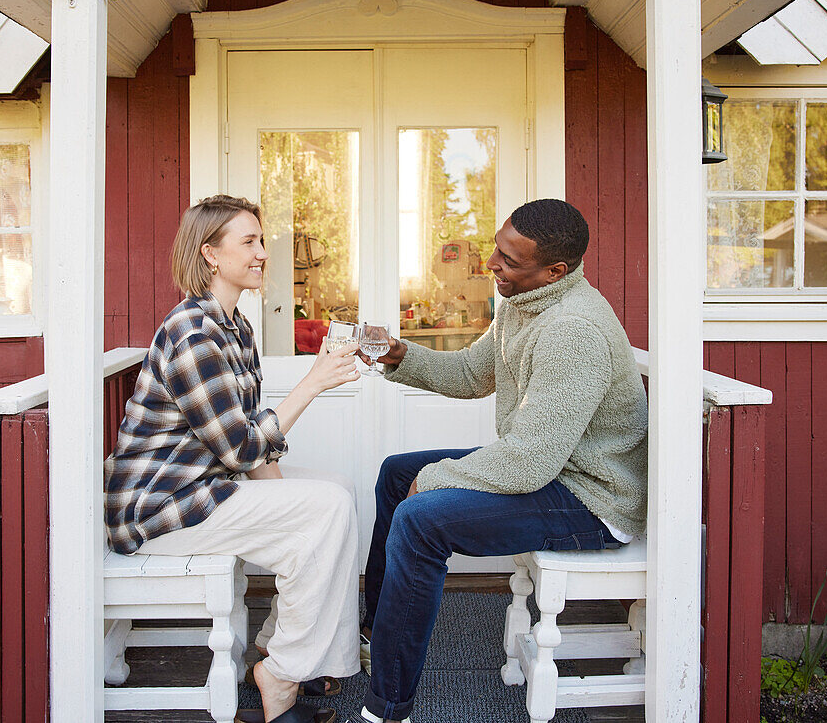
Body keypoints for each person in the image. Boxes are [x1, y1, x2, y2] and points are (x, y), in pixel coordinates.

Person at [348, 199, 648, 723]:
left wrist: (437, 479)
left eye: (509, 260)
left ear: (556, 270)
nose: (492, 264)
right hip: (551, 467)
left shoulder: (572, 329)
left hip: (590, 499)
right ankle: (380, 630)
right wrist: (398, 355)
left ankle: (387, 705)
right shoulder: (522, 300)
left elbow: (529, 462)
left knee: (421, 520)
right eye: (497, 247)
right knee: (398, 472)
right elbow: (470, 375)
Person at [105, 195, 361, 723]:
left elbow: (248, 438)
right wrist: (312, 382)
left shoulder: (236, 327)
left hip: (205, 489)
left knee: (336, 490)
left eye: (261, 240)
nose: (263, 253)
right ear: (210, 255)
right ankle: (283, 676)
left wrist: (285, 495)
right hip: (159, 509)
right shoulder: (192, 333)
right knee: (326, 507)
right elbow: (241, 448)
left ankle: (276, 654)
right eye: (249, 242)